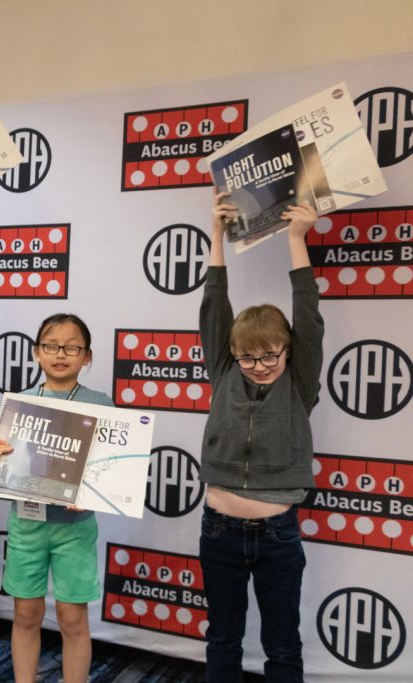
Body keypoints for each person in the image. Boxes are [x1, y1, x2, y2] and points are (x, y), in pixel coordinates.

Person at [198, 192, 321, 682]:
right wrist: (215, 234)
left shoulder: (298, 381)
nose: (261, 367)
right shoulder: (225, 370)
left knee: (282, 646)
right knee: (223, 640)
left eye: (271, 355)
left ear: (288, 352)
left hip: (278, 535)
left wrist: (297, 239)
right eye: (250, 358)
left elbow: (307, 313)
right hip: (219, 531)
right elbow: (213, 303)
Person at [0, 313, 112, 683]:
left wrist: (97, 492)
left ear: (86, 357)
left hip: (75, 528)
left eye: (72, 347)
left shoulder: (101, 404)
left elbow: (111, 471)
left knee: (72, 618)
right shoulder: (19, 404)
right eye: (51, 346)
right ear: (36, 352)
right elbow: (3, 465)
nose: (60, 354)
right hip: (27, 523)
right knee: (25, 615)